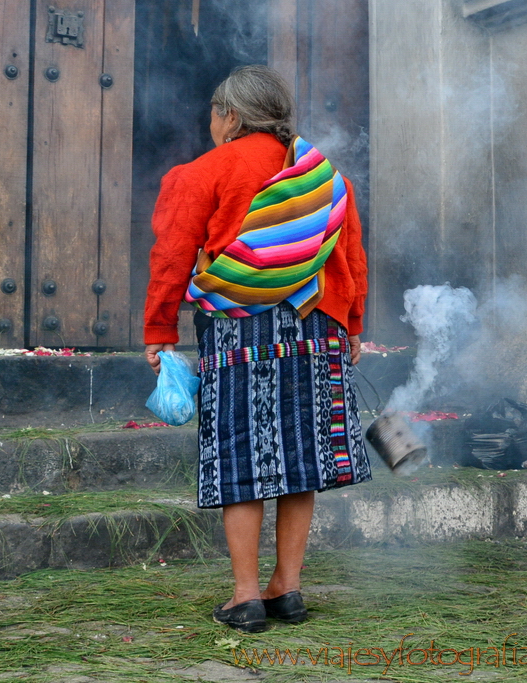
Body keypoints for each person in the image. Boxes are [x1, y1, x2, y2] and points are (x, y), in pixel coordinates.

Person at [143, 65, 371, 633]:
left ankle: (246, 596)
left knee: (240, 453)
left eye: (215, 116)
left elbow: (173, 255)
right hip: (314, 329)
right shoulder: (321, 175)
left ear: (232, 116)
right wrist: (354, 324)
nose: (213, 126)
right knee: (302, 457)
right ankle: (287, 590)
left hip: (239, 334)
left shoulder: (204, 172)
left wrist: (159, 331)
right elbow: (349, 255)